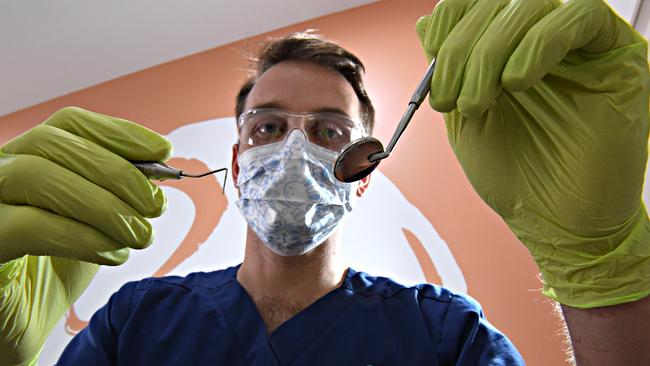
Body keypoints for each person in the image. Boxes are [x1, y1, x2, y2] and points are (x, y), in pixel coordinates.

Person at [0, 0, 647, 364]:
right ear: (235, 161)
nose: (292, 150)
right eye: (268, 128)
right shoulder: (138, 320)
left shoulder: (443, 336)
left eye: (330, 132)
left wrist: (598, 265)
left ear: (363, 174)